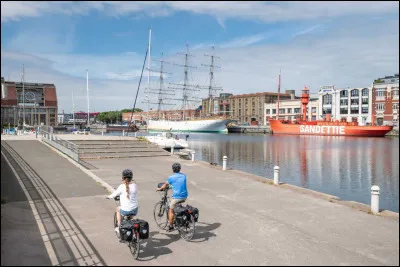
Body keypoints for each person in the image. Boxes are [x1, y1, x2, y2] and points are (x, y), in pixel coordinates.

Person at [157, 162, 188, 232]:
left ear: (173, 169)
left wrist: (159, 189)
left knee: (171, 210)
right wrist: (172, 186)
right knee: (176, 205)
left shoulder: (171, 178)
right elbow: (179, 183)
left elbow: (165, 185)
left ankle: (171, 226)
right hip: (185, 196)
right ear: (180, 169)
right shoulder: (184, 176)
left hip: (177, 197)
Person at [106, 169, 138, 234]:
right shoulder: (135, 185)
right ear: (131, 178)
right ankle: (133, 230)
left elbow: (114, 194)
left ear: (123, 178)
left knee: (118, 209)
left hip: (125, 210)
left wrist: (109, 197)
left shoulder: (121, 187)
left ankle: (119, 226)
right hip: (135, 210)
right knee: (131, 214)